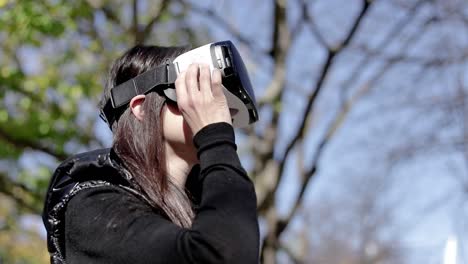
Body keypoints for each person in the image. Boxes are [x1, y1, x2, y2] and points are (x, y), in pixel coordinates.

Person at [42, 45, 260, 263]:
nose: (214, 107)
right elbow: (221, 255)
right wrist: (215, 137)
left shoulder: (203, 211)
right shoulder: (93, 206)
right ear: (141, 107)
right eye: (191, 92)